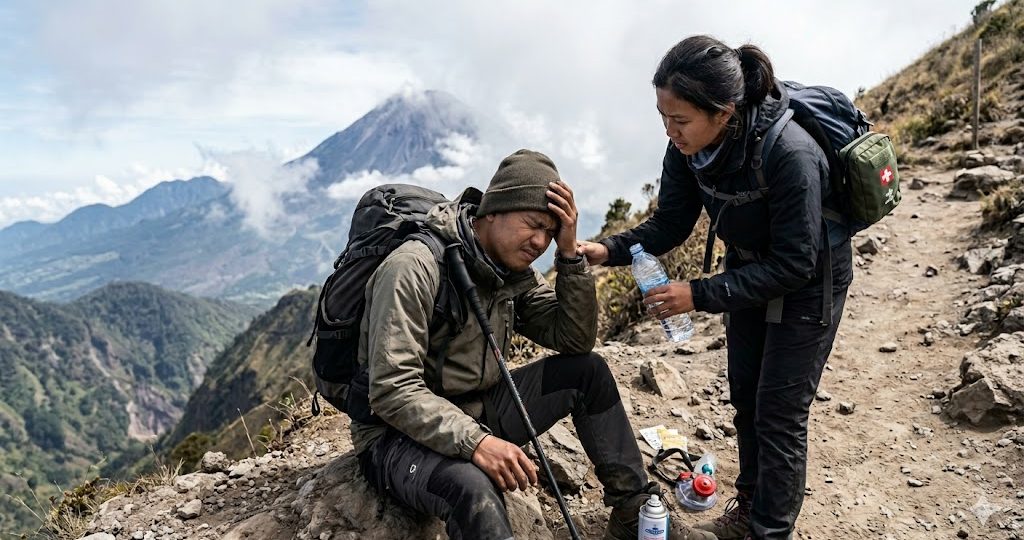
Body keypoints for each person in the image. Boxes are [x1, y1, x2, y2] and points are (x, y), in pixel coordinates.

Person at [352, 149, 716, 540]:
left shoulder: (510, 269)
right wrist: (478, 443)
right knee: (474, 489)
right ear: (492, 211)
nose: (540, 241)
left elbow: (574, 340)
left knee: (587, 372)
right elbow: (392, 389)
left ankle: (633, 513)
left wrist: (570, 254)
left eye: (550, 230)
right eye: (532, 224)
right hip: (396, 437)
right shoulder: (414, 267)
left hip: (478, 411)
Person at [578, 36, 854, 540]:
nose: (669, 130)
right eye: (663, 116)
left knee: (779, 412)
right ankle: (749, 508)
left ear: (724, 112)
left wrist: (699, 294)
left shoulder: (789, 153)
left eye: (679, 120)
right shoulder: (686, 150)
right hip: (746, 268)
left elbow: (796, 264)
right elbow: (670, 225)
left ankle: (768, 532)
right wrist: (608, 250)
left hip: (812, 278)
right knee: (746, 395)